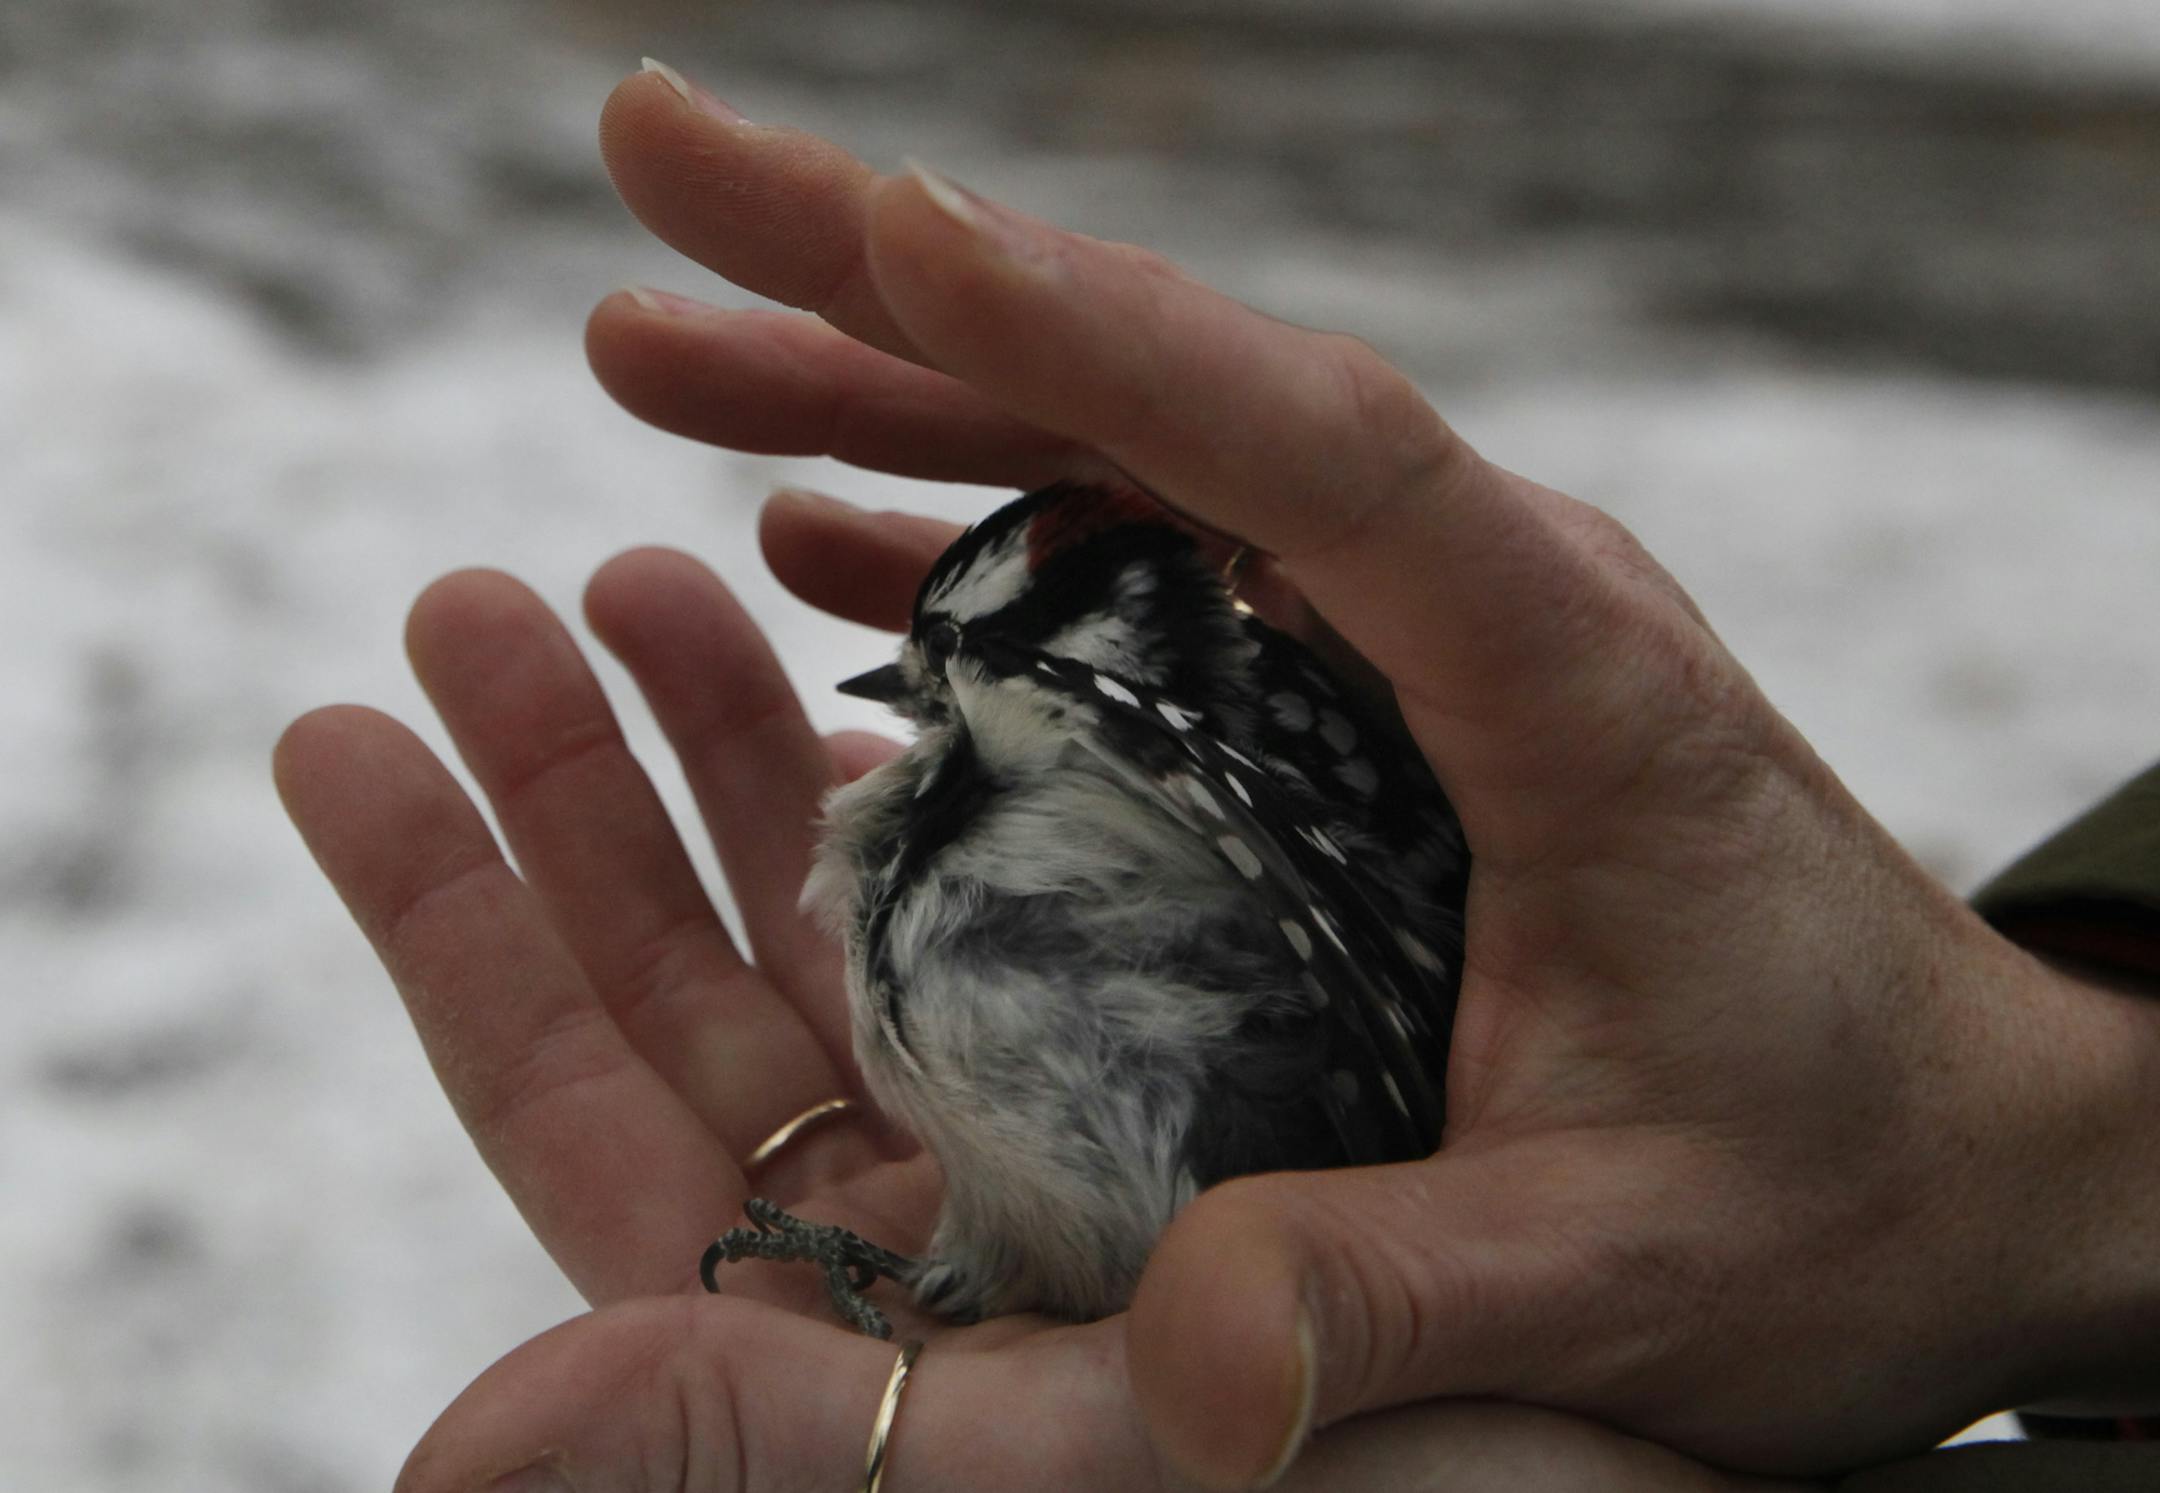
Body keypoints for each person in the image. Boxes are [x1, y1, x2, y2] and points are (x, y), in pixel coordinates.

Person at [274, 61, 2160, 1491]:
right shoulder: (1107, 748)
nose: (912, 695)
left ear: (1061, 655)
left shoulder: (1128, 739)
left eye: (947, 663)